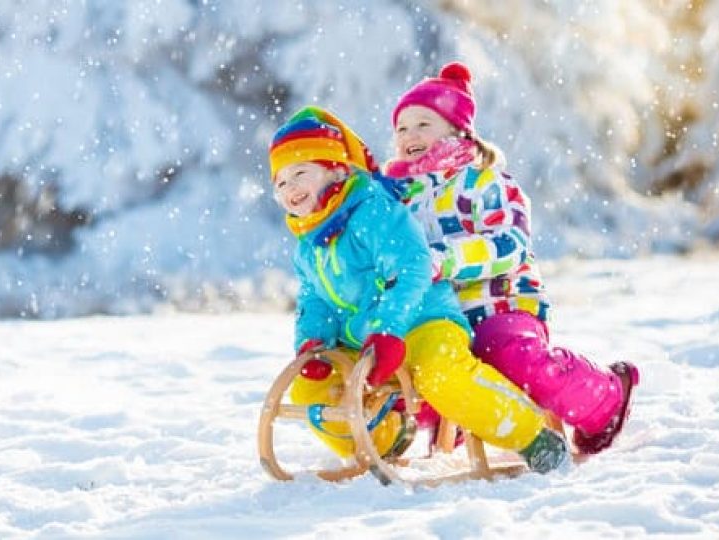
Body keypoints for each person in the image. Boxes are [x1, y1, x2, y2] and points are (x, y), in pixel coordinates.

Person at [269, 105, 567, 472]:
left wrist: (389, 330)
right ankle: (387, 436)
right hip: (365, 336)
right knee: (307, 389)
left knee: (442, 374)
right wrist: (313, 340)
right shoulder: (309, 245)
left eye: (300, 172)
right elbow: (314, 299)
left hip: (423, 321)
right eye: (280, 182)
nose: (290, 188)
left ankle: (531, 436)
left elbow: (411, 269)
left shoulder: (372, 211)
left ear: (336, 170)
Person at [384, 62, 640, 455]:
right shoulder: (400, 198)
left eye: (423, 124)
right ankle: (448, 421)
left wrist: (446, 260)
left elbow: (510, 245)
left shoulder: (485, 181)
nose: (409, 135)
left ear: (456, 129)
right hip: (440, 319)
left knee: (510, 356)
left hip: (502, 306)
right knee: (409, 368)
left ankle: (604, 399)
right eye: (402, 128)